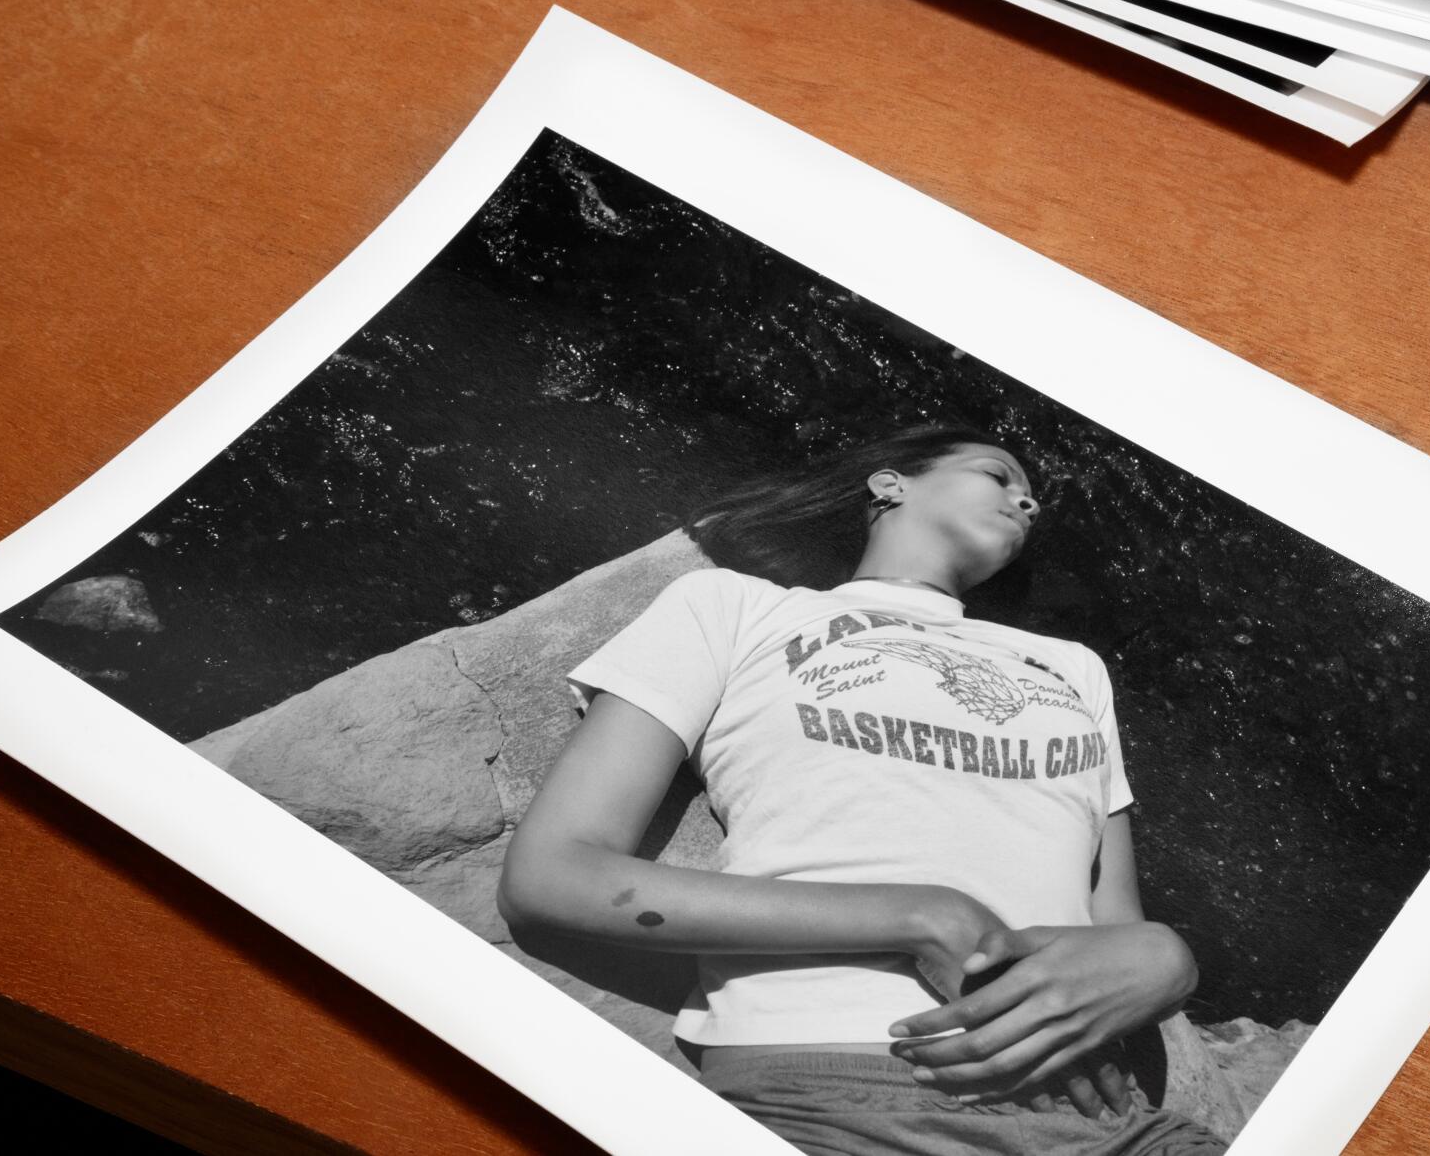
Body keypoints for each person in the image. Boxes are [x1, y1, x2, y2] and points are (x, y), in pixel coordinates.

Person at [498, 426, 1227, 1155]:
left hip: (1107, 1123)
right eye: (997, 474)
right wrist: (921, 916)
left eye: (1028, 493)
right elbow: (556, 875)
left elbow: (1113, 928)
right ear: (890, 484)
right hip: (841, 1100)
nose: (1027, 499)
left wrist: (1167, 961)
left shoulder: (1072, 667)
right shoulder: (735, 607)